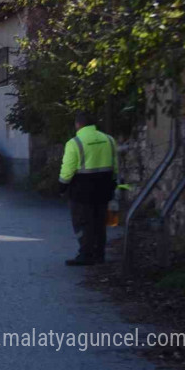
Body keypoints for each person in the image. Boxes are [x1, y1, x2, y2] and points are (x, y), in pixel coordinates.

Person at [59, 112, 118, 266]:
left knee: (82, 223)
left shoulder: (75, 142)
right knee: (100, 222)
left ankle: (85, 254)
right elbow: (115, 165)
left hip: (81, 191)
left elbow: (68, 169)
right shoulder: (109, 140)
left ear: (78, 124)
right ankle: (99, 254)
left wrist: (62, 186)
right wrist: (113, 183)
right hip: (104, 189)